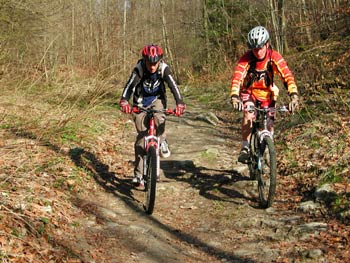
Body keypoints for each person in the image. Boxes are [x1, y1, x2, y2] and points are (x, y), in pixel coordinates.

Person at [229, 26, 299, 163]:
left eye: (261, 47)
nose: (258, 51)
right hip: (249, 93)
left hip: (268, 95)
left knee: (269, 123)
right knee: (249, 114)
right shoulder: (246, 59)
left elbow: (287, 76)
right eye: (254, 49)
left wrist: (294, 96)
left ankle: (267, 149)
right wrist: (234, 96)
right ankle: (245, 147)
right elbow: (237, 78)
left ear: (267, 44)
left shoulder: (274, 57)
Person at [119, 44, 186, 184]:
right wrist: (124, 101)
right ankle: (138, 174)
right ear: (144, 60)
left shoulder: (163, 69)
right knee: (141, 139)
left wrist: (180, 103)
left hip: (157, 100)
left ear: (159, 61)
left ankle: (162, 140)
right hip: (141, 102)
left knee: (159, 118)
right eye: (149, 63)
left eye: (155, 63)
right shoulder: (139, 69)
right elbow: (130, 85)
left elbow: (173, 86)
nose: (152, 67)